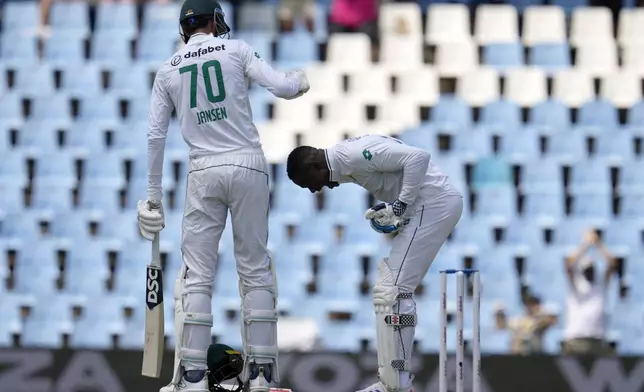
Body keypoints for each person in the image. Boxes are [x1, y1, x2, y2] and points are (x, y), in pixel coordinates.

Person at [135, 0, 310, 391]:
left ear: (184, 28)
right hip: (247, 164)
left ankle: (194, 376)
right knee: (255, 268)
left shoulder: (168, 69)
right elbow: (283, 87)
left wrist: (153, 195)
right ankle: (263, 374)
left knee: (197, 275)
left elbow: (155, 136)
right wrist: (301, 80)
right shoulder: (237, 49)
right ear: (215, 22)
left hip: (203, 170)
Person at [286, 134, 463, 392]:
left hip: (435, 203)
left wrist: (400, 207)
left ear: (314, 166)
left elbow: (418, 157)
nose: (315, 190)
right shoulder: (343, 163)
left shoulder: (354, 155)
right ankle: (394, 381)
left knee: (395, 288)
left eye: (309, 183)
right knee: (386, 289)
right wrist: (392, 210)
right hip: (426, 206)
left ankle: (399, 384)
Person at [562, 229, 617, 356]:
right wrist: (586, 244)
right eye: (587, 270)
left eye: (591, 269)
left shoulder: (600, 285)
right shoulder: (575, 285)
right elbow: (568, 265)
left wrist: (598, 243)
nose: (590, 273)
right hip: (575, 339)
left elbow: (612, 263)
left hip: (596, 339)